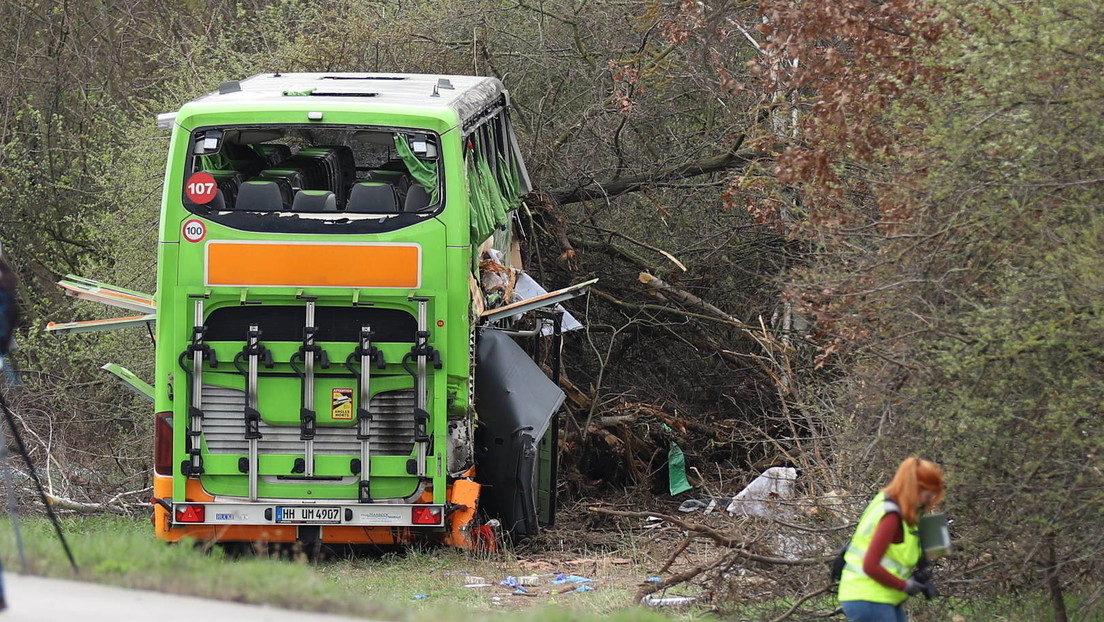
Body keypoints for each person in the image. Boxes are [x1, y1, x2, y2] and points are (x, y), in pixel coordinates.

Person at [837, 456, 945, 622]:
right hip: (868, 597)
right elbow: (870, 566)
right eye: (928, 495)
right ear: (916, 488)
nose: (929, 500)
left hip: (879, 597)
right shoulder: (891, 516)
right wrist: (905, 585)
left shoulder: (893, 505)